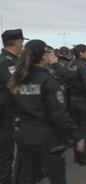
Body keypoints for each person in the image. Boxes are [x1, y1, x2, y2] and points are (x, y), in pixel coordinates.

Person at [9, 39, 86, 184]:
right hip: (46, 138)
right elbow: (59, 114)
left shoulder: (18, 78)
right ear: (44, 56)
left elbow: (12, 107)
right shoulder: (48, 80)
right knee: (57, 178)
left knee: (27, 176)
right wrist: (76, 136)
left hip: (24, 135)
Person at [0, 29, 27, 184]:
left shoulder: (13, 61)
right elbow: (19, 87)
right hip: (6, 115)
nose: (22, 44)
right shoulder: (5, 63)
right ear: (17, 42)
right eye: (22, 42)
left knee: (23, 151)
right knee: (6, 154)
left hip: (14, 114)